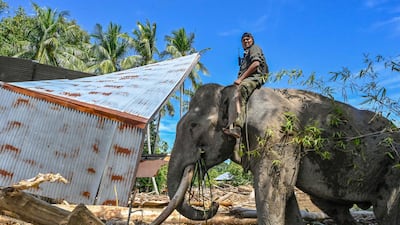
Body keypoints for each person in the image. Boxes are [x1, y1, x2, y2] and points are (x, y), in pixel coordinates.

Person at [223, 32, 269, 138]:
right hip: (248, 78)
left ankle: (238, 127)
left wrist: (241, 79)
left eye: (248, 39)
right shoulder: (245, 55)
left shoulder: (254, 48)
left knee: (240, 90)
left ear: (252, 40)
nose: (246, 41)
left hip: (255, 77)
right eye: (243, 40)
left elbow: (256, 64)